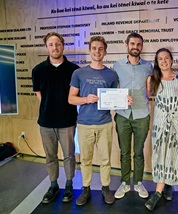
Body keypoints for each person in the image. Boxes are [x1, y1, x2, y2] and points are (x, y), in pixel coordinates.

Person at [68, 36, 118, 206]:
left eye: (101, 49)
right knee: (85, 159)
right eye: (94, 48)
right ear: (90, 50)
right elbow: (71, 99)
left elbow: (114, 98)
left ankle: (105, 188)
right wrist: (86, 99)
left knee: (105, 159)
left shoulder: (111, 74)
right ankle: (86, 188)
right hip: (84, 124)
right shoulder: (79, 73)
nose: (97, 51)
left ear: (105, 51)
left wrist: (123, 101)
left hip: (104, 123)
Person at [32, 32, 79, 204]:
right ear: (47, 47)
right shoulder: (38, 70)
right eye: (51, 45)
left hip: (67, 121)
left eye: (58, 44)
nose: (55, 47)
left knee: (69, 155)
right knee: (50, 156)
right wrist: (48, 108)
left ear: (63, 45)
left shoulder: (74, 70)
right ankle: (53, 185)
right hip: (46, 122)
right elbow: (39, 94)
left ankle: (68, 184)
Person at [144, 48, 178, 211]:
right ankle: (160, 189)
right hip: (160, 125)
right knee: (160, 154)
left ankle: (165, 187)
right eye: (160, 59)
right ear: (157, 61)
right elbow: (146, 98)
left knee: (174, 154)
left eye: (166, 58)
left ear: (171, 60)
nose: (163, 61)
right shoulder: (152, 80)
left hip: (176, 124)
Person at [113, 32, 153, 199]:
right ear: (127, 45)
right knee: (124, 152)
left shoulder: (148, 66)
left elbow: (150, 90)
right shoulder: (116, 65)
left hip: (142, 114)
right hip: (122, 115)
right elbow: (113, 89)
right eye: (132, 44)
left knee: (138, 151)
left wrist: (150, 92)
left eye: (138, 44)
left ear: (141, 47)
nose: (135, 47)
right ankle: (124, 182)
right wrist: (119, 97)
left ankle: (137, 183)